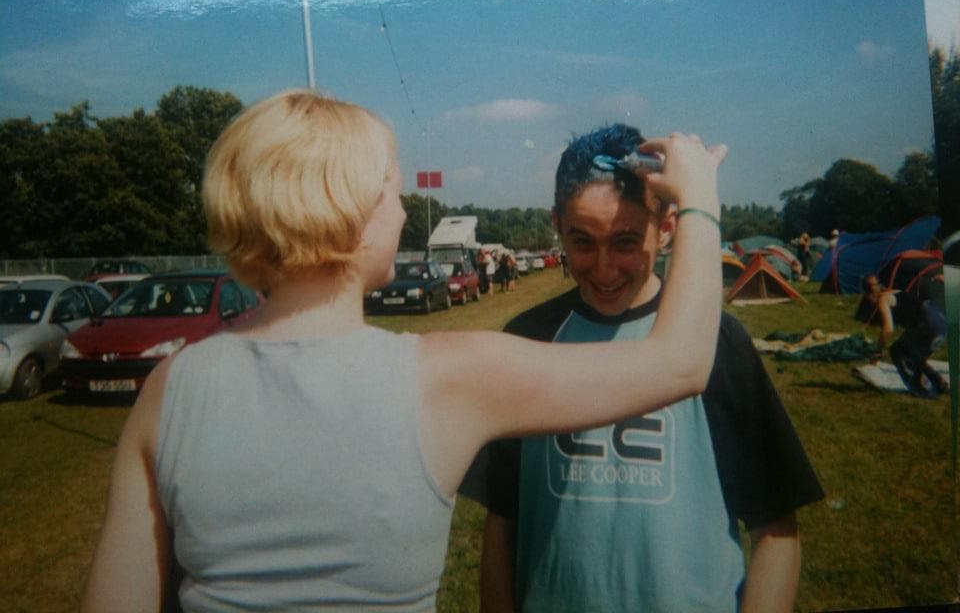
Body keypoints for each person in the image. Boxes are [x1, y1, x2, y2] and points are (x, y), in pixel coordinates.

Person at [80, 90, 726, 613]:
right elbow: (682, 362)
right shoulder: (445, 377)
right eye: (391, 190)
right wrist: (699, 201)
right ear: (356, 214)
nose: (401, 207)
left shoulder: (173, 387)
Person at [470, 123, 824, 613]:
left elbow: (776, 530)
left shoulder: (715, 342)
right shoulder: (528, 339)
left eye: (625, 241)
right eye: (582, 241)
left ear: (669, 229)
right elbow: (502, 522)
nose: (604, 266)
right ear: (557, 224)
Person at [857, 272, 947, 398]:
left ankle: (924, 391)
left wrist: (878, 352)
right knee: (914, 354)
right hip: (940, 321)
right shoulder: (894, 292)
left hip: (928, 322)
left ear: (868, 294)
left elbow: (888, 329)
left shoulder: (883, 299)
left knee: (897, 351)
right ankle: (938, 382)